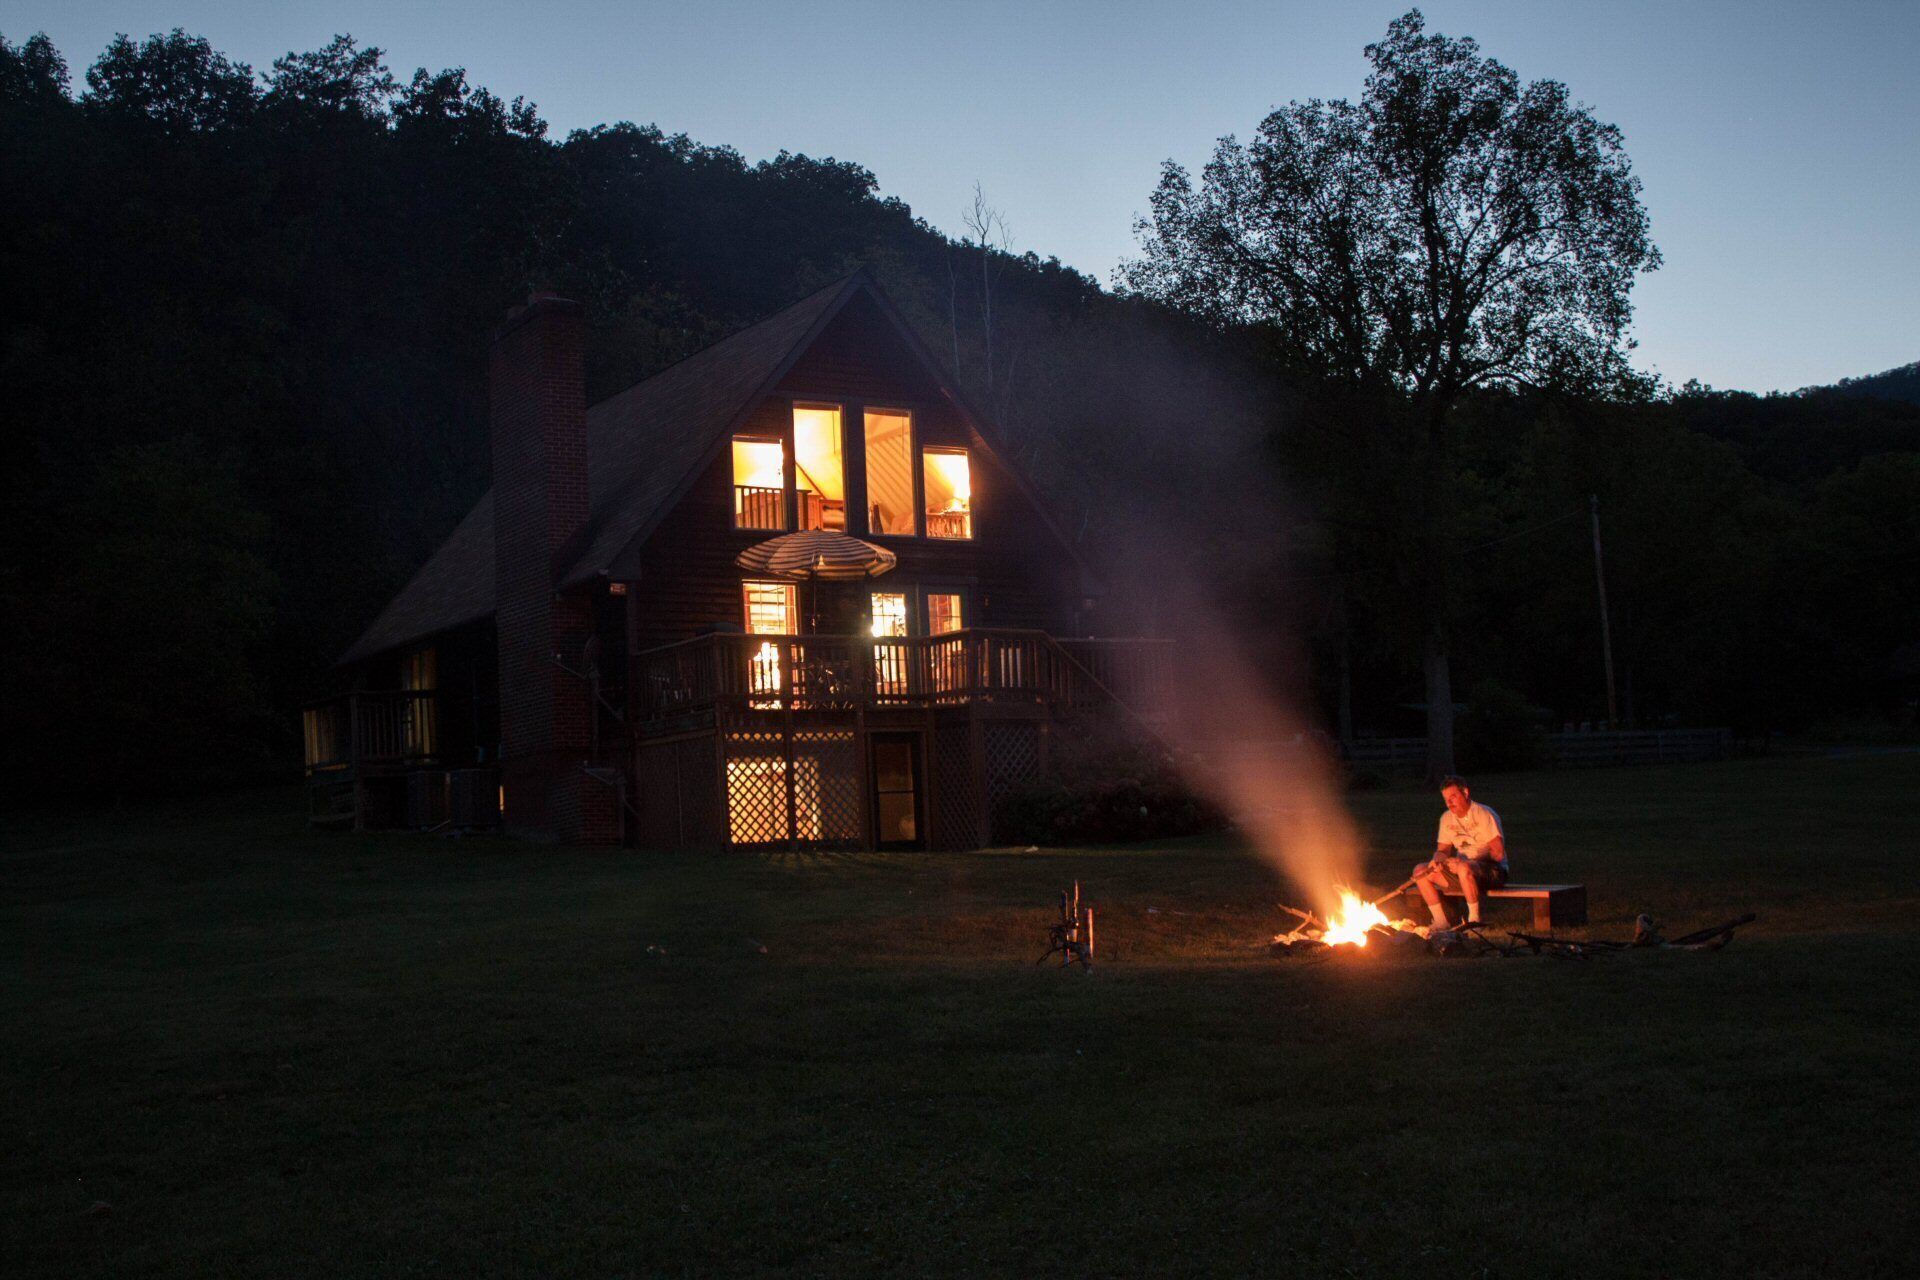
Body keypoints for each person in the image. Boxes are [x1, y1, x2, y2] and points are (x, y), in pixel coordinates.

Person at [1411, 775, 1508, 928]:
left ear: (1465, 793)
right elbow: (1443, 850)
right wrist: (1437, 860)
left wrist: (1467, 862)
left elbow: (1498, 853)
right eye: (1446, 799)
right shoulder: (1446, 818)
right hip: (1463, 872)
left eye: (1453, 797)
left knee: (1463, 868)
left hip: (1492, 872)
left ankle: (1474, 921)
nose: (1449, 802)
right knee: (1420, 871)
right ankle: (1441, 922)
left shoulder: (1484, 814)